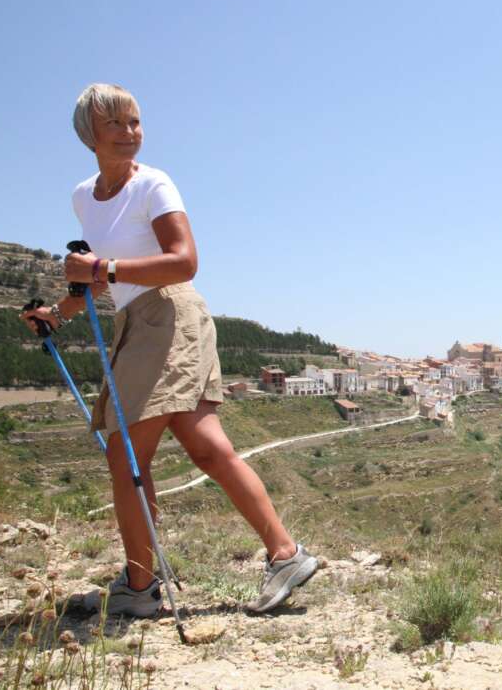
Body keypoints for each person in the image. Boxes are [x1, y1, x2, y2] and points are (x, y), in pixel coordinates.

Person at [21, 83, 318, 616]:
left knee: (126, 453)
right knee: (205, 445)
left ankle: (139, 586)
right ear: (89, 133)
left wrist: (102, 269)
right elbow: (100, 279)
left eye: (135, 122)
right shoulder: (84, 197)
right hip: (138, 321)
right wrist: (58, 315)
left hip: (171, 314)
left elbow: (183, 261)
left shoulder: (154, 185)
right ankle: (285, 554)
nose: (130, 132)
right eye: (116, 124)